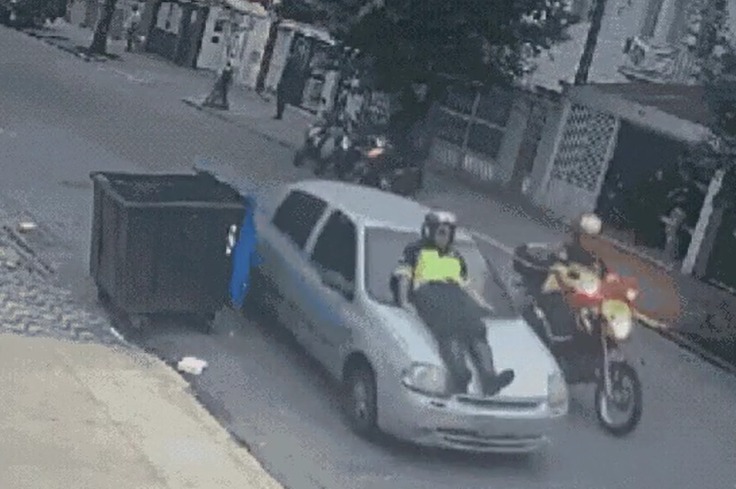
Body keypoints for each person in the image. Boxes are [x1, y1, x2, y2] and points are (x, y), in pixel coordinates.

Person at [393, 210, 515, 397]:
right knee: (449, 329)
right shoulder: (415, 250)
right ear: (430, 231)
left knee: (476, 328)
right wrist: (404, 301)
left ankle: (490, 378)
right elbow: (404, 275)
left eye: (449, 233)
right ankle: (460, 374)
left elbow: (466, 285)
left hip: (455, 294)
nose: (446, 237)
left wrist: (482, 303)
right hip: (430, 292)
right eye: (441, 232)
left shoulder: (455, 256)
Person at [535, 212, 608, 338]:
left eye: (593, 238)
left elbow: (605, 278)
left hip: (583, 296)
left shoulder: (596, 260)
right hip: (562, 292)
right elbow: (553, 262)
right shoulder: (565, 251)